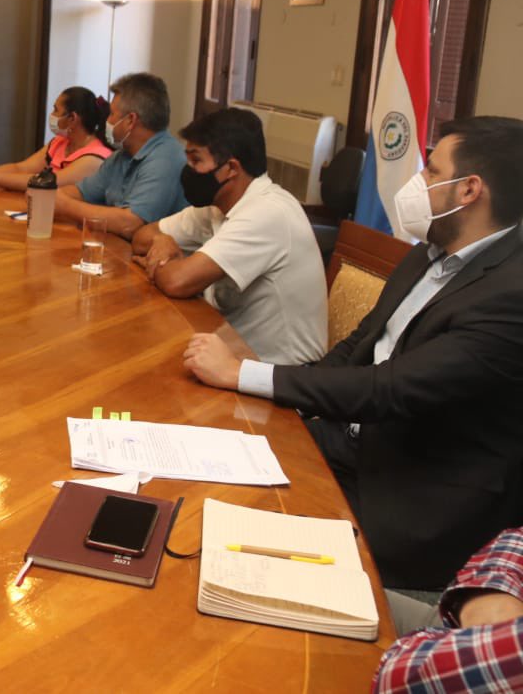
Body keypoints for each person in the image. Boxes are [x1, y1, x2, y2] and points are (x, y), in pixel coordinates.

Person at [183, 117, 523, 597]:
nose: (417, 183)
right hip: (349, 439)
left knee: (249, 566)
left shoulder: (511, 295)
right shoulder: (431, 252)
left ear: (468, 190)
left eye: (430, 171)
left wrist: (245, 373)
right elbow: (357, 349)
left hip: (409, 490)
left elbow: (392, 387)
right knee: (207, 477)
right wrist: (286, 401)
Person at [131, 107, 326, 365]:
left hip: (281, 379)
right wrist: (162, 241)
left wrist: (164, 264)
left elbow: (177, 282)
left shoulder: (267, 213)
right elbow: (142, 237)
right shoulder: (218, 206)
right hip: (229, 353)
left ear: (231, 168)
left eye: (196, 160)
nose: (187, 170)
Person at [373, 527, 523, 692]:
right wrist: (494, 601)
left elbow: (399, 680)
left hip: (412, 666)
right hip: (457, 630)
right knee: (345, 590)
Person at [53, 72, 186, 240]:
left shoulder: (167, 159)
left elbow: (129, 223)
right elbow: (81, 192)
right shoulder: (121, 156)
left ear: (130, 120)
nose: (106, 120)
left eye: (111, 114)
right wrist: (52, 197)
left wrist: (64, 205)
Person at [0, 87, 111, 191]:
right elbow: (21, 168)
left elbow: (44, 182)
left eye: (56, 110)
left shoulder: (94, 158)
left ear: (72, 118)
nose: (52, 114)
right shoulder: (59, 142)